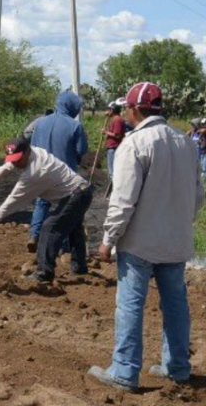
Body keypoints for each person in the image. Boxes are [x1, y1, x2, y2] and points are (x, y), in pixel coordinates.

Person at [88, 82, 205, 392]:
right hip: (175, 241)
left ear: (134, 109)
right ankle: (177, 367)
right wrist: (179, 220)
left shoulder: (135, 144)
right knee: (176, 304)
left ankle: (124, 371)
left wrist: (108, 239)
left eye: (127, 108)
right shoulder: (186, 143)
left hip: (140, 242)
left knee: (130, 305)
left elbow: (123, 201)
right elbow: (198, 195)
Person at [0, 137, 93, 282]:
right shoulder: (32, 152)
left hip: (77, 195)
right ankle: (79, 268)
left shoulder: (35, 171)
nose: (15, 163)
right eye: (12, 159)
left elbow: (14, 200)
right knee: (73, 228)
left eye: (18, 159)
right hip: (79, 191)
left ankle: (44, 272)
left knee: (49, 227)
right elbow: (12, 163)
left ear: (27, 151)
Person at [27, 91, 88, 253]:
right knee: (65, 209)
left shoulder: (40, 123)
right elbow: (81, 150)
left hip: (42, 172)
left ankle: (34, 235)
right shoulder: (75, 126)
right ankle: (62, 245)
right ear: (72, 107)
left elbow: (32, 147)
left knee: (42, 203)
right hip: (65, 174)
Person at [103, 98, 127, 179]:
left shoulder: (117, 120)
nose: (108, 111)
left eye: (109, 110)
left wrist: (106, 132)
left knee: (112, 172)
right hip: (112, 148)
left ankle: (114, 188)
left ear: (113, 110)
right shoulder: (115, 119)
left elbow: (117, 135)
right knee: (112, 171)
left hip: (114, 148)